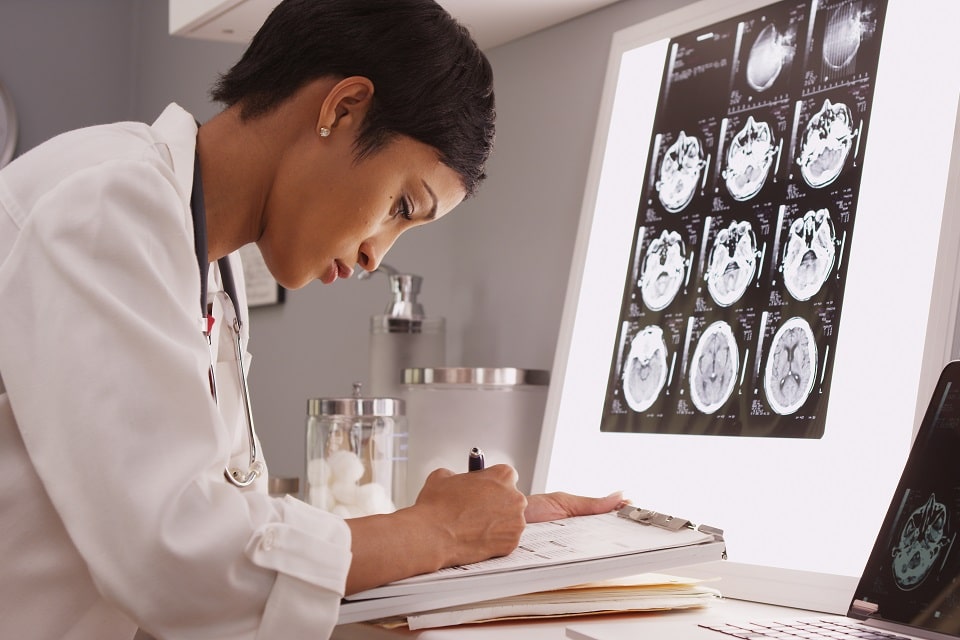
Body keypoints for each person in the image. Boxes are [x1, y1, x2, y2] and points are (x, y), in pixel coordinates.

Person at [0, 1, 622, 638]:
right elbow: (178, 560)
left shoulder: (211, 265)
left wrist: (492, 531)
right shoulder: (107, 204)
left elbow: (232, 537)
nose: (377, 252)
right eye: (402, 205)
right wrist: (437, 531)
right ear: (342, 108)